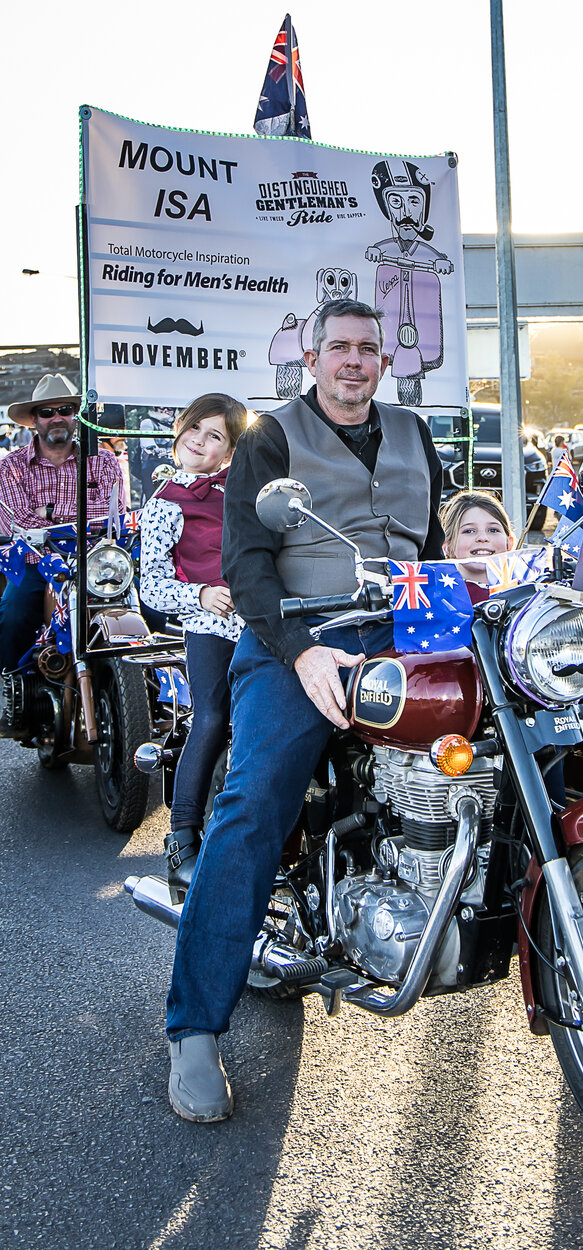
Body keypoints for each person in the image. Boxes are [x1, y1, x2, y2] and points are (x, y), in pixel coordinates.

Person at [164, 298, 444, 1123]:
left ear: (384, 361)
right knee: (253, 800)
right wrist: (302, 648)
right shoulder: (268, 436)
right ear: (313, 359)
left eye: (368, 348)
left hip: (405, 632)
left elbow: (435, 539)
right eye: (339, 348)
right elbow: (246, 565)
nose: (354, 361)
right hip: (300, 635)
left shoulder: (415, 433)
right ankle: (194, 1028)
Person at [140, 394, 248, 887]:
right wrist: (201, 593)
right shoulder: (164, 502)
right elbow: (152, 587)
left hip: (261, 621)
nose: (200, 443)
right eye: (196, 430)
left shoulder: (245, 490)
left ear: (229, 451)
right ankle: (181, 835)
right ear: (179, 428)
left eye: (216, 437)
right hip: (210, 625)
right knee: (210, 717)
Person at [0, 373, 123, 673]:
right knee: (13, 615)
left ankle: (144, 693)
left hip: (95, 562)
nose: (57, 418)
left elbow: (113, 516)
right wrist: (78, 516)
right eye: (47, 412)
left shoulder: (104, 461)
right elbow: (15, 521)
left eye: (65, 410)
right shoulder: (10, 466)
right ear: (34, 419)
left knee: (148, 611)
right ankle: (11, 686)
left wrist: (49, 512)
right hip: (36, 562)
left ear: (76, 416)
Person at [440, 489, 515, 602]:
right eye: (469, 531)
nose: (482, 538)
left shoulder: (528, 595)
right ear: (447, 546)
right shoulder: (438, 598)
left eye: (493, 530)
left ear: (510, 542)